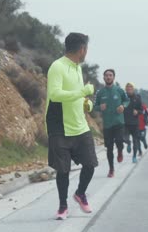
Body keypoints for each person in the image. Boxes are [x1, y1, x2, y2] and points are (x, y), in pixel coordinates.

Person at [46, 33, 98, 220]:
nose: (86, 53)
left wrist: (87, 103)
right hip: (59, 125)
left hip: (80, 125)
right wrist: (83, 91)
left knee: (91, 164)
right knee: (63, 170)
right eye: (86, 49)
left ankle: (80, 193)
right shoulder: (57, 67)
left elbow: (76, 96)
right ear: (82, 49)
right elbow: (55, 95)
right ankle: (62, 207)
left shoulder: (77, 68)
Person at [94, 69, 129, 178]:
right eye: (106, 75)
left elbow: (127, 100)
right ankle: (111, 169)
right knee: (109, 148)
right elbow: (95, 106)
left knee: (119, 141)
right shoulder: (100, 93)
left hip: (119, 122)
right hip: (107, 124)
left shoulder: (119, 90)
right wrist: (100, 107)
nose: (108, 77)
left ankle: (120, 151)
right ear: (104, 78)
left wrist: (123, 106)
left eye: (110, 75)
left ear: (113, 77)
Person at [123, 82, 143, 163]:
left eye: (130, 87)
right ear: (126, 89)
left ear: (133, 89)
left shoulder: (137, 98)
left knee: (136, 141)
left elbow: (141, 110)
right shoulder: (123, 98)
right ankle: (128, 143)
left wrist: (137, 112)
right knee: (124, 139)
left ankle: (134, 157)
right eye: (127, 87)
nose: (129, 89)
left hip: (135, 123)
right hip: (125, 123)